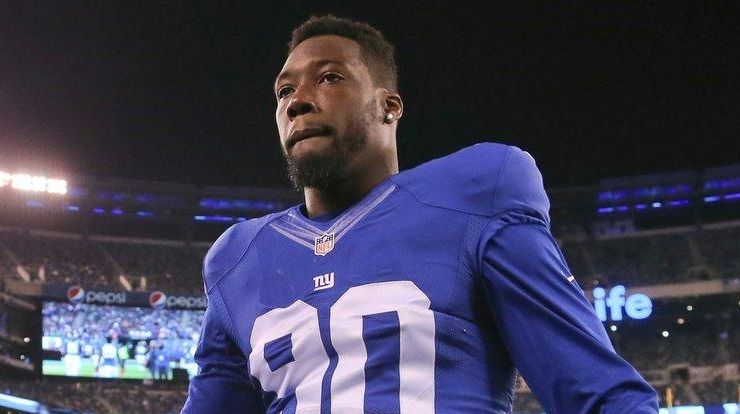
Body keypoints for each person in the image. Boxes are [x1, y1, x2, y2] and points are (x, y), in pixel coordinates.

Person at [182, 15, 658, 414]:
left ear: (389, 106)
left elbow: (596, 393)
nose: (297, 100)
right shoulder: (237, 259)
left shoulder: (475, 194)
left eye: (329, 77)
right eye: (284, 90)